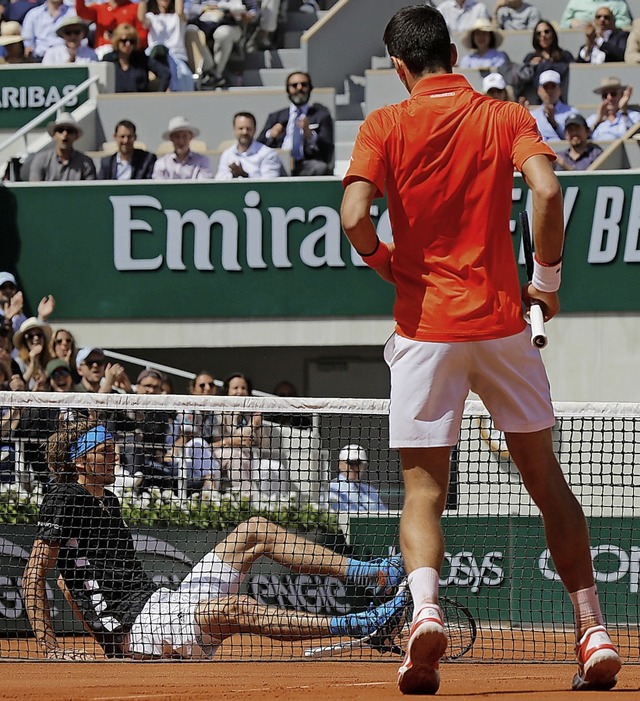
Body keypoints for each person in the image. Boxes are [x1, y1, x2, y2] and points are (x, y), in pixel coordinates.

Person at [340, 5, 621, 694]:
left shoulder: (385, 123)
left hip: (425, 329)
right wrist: (546, 283)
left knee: (422, 492)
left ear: (401, 68)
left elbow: (353, 217)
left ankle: (426, 612)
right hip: (502, 326)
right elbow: (548, 190)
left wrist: (384, 261)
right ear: (453, 55)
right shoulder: (503, 115)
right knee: (547, 482)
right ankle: (593, 631)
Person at [22, 420, 407, 660]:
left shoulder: (108, 499)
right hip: (138, 627)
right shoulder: (65, 498)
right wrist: (59, 647)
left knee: (255, 529)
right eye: (105, 452)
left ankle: (373, 575)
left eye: (114, 449)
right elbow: (35, 574)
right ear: (80, 461)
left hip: (159, 604)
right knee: (237, 609)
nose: (116, 456)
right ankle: (364, 623)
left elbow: (65, 582)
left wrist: (105, 644)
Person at [257, 71, 334, 176]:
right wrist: (271, 134)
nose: (299, 88)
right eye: (294, 85)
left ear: (310, 88)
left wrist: (310, 135)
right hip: (278, 162)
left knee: (320, 168)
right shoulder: (276, 116)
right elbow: (258, 143)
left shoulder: (321, 116)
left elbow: (328, 147)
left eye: (304, 85)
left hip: (306, 164)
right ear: (288, 90)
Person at [138, 0, 194, 92]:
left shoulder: (178, 17)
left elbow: (179, 12)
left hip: (177, 57)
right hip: (156, 58)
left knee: (181, 74)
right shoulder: (152, 17)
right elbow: (141, 18)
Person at [516, 21, 575, 106]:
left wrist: (544, 65)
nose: (543, 35)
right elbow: (522, 80)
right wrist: (531, 66)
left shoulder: (565, 56)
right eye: (538, 33)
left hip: (562, 102)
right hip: (537, 103)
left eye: (546, 32)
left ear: (553, 34)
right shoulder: (530, 57)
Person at [101, 24, 170, 93]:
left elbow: (165, 73)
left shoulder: (142, 58)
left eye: (131, 41)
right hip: (113, 101)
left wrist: (159, 94)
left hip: (139, 101)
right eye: (124, 41)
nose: (128, 44)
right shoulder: (108, 59)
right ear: (117, 41)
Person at [215, 111, 283, 180]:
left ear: (255, 130)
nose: (244, 132)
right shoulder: (227, 154)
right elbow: (219, 181)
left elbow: (269, 184)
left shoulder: (268, 154)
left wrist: (245, 175)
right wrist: (233, 176)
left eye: (248, 128)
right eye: (241, 128)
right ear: (234, 130)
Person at [29, 113, 97, 182]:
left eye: (70, 131)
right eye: (60, 130)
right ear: (54, 135)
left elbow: (91, 190)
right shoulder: (41, 159)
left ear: (75, 136)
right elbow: (34, 189)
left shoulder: (86, 163)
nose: (65, 134)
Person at [325, 444, 388, 515]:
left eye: (358, 463)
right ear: (340, 464)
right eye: (350, 463)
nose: (354, 467)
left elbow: (384, 514)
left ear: (363, 466)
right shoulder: (330, 489)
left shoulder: (370, 491)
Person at [75, 0, 147, 55]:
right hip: (102, 55)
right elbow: (81, 11)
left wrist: (119, 39)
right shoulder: (100, 9)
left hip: (127, 57)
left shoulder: (135, 8)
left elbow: (142, 38)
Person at [530, 70, 578, 141]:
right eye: (546, 87)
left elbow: (576, 139)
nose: (549, 91)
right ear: (539, 90)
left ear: (560, 90)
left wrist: (554, 124)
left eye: (553, 87)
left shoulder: (572, 113)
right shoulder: (532, 115)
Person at [13, 317, 52, 389]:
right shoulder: (18, 362)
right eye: (30, 336)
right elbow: (18, 387)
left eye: (39, 335)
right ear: (24, 342)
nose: (36, 338)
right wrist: (32, 364)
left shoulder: (49, 362)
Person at [560, 0, 632, 29]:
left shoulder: (618, 3)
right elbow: (563, 24)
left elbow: (625, 23)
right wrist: (571, 23)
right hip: (578, 42)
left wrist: (602, 25)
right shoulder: (576, 2)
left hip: (611, 44)